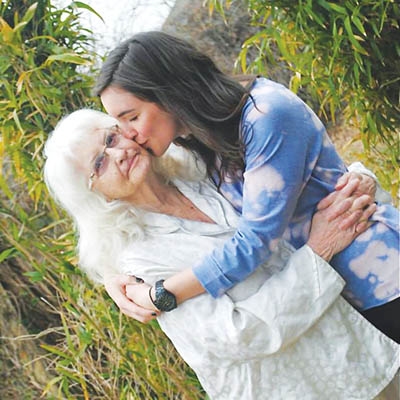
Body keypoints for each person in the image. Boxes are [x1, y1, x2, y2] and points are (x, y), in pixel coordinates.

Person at [43, 109, 399, 399]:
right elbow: (240, 334)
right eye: (99, 164)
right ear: (96, 196)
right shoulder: (138, 262)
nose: (118, 153)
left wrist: (357, 177)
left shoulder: (203, 174)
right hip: (300, 384)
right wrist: (319, 251)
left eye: (111, 137)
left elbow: (292, 193)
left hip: (362, 349)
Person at [94, 31, 400, 338]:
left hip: (385, 275)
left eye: (131, 117)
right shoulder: (200, 140)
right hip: (348, 300)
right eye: (119, 125)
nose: (128, 134)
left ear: (169, 92)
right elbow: (151, 203)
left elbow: (256, 240)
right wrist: (116, 277)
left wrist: (161, 294)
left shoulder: (265, 116)